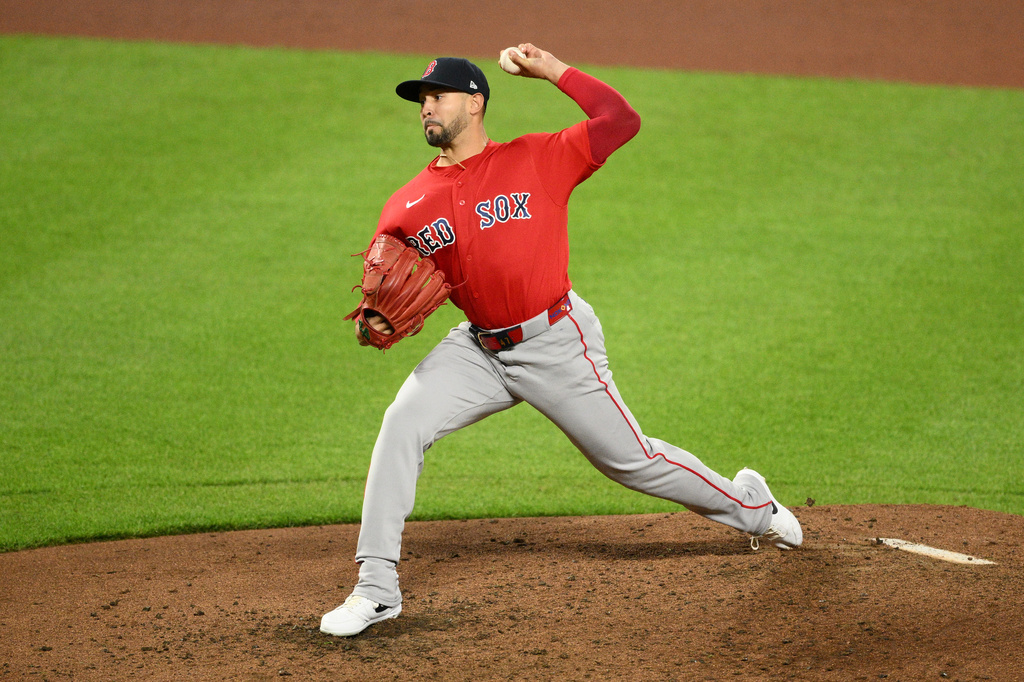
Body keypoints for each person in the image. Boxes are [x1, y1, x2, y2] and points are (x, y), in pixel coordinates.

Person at [320, 44, 802, 638]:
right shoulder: (408, 204)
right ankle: (376, 588)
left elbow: (621, 122)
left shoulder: (537, 157)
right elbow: (392, 283)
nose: (425, 108)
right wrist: (380, 320)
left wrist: (551, 70)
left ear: (475, 103)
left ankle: (754, 509)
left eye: (436, 96)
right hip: (478, 351)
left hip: (555, 342)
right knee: (402, 423)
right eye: (421, 101)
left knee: (631, 461)